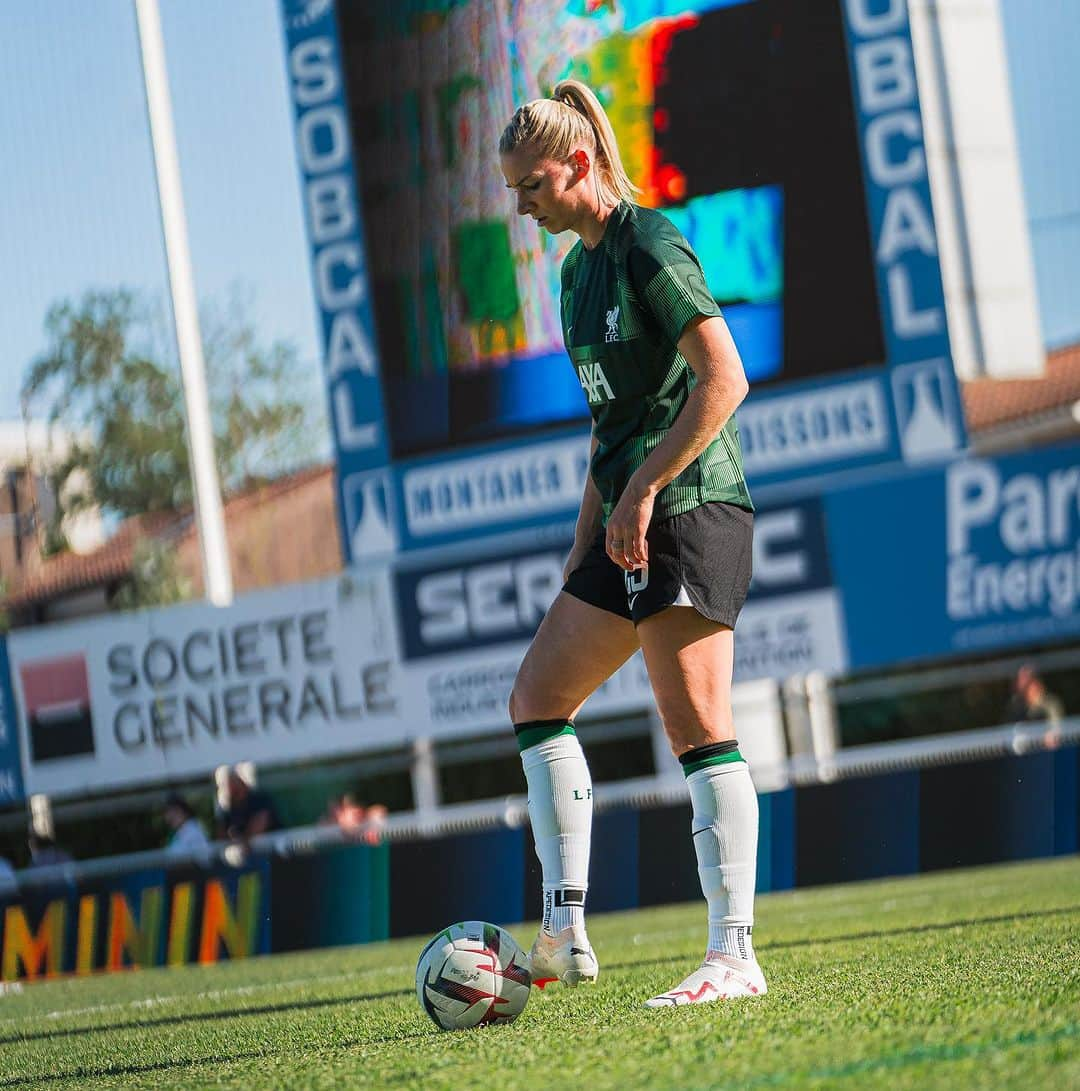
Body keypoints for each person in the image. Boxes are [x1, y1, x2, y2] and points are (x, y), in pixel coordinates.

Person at [499, 80, 762, 1007]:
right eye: (513, 191)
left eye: (530, 185)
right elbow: (609, 430)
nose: (521, 205)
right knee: (537, 696)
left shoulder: (649, 242)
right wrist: (585, 543)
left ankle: (735, 955)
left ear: (578, 165)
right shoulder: (575, 276)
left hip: (691, 507)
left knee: (696, 729)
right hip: (625, 520)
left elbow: (724, 378)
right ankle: (562, 929)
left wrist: (645, 489)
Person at [216, 766, 280, 846]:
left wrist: (242, 842)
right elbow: (221, 837)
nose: (230, 786)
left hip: (269, 849)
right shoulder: (227, 807)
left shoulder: (260, 799)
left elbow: (259, 825)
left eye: (233, 781)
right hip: (242, 853)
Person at [1004, 665, 1064, 748]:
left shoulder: (1050, 704)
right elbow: (1007, 733)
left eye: (1023, 678)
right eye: (1018, 678)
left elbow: (1055, 733)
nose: (1018, 682)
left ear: (1034, 682)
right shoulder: (1014, 706)